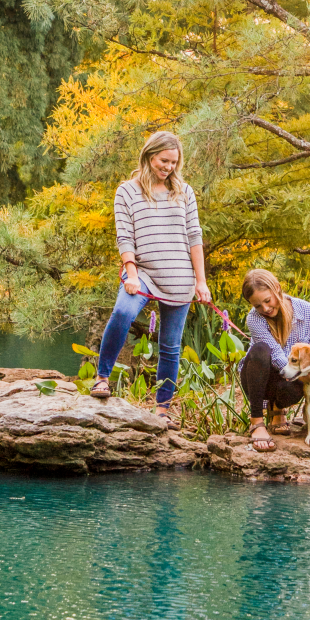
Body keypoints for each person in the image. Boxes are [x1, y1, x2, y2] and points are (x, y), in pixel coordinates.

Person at [91, 131, 211, 429]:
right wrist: (130, 274)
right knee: (123, 312)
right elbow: (125, 236)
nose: (168, 167)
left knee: (170, 345)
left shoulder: (185, 191)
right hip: (142, 273)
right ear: (149, 156)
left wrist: (201, 281)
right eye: (163, 160)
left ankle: (162, 408)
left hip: (179, 276)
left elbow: (194, 236)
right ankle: (102, 377)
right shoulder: (127, 191)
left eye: (174, 162)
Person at [238, 269, 310, 453]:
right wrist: (307, 376)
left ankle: (277, 409)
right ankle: (257, 421)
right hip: (259, 377)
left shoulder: (305, 309)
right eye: (258, 305)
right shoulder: (254, 318)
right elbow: (277, 357)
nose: (265, 309)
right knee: (261, 350)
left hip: (287, 378)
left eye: (267, 301)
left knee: (295, 382)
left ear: (276, 288)